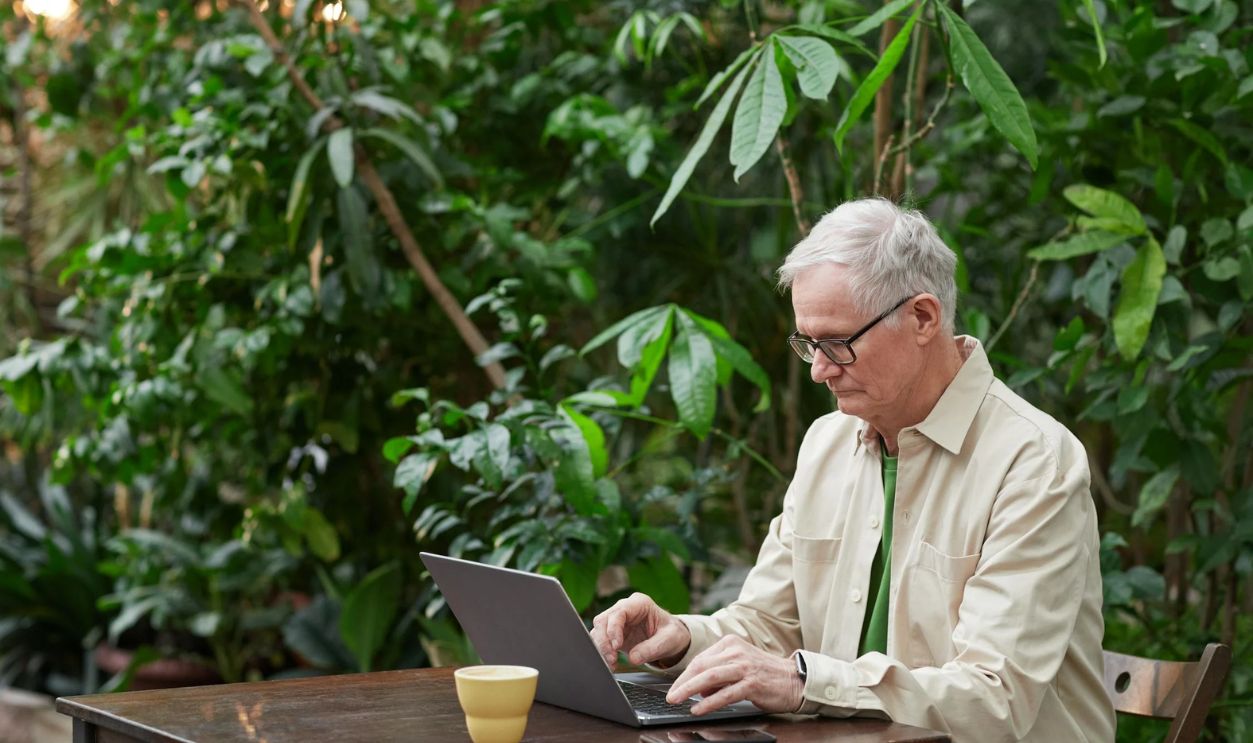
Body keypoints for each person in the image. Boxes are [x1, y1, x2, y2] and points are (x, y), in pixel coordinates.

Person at [589, 198, 1116, 742]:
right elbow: (768, 626)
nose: (818, 370)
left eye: (838, 344)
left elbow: (993, 699)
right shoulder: (828, 444)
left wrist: (801, 683)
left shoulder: (1032, 463)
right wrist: (680, 639)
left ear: (923, 317)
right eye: (809, 344)